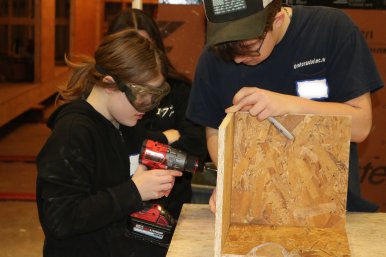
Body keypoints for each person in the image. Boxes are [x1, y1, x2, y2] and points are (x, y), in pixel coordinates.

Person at [186, 0, 384, 213]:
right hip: (253, 207)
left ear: (277, 20)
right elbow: (215, 129)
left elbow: (361, 126)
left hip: (328, 209)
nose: (237, 59)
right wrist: (230, 179)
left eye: (249, 49)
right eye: (227, 51)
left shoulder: (331, 29)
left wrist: (289, 105)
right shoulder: (215, 54)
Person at [36, 29, 182, 257]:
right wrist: (134, 191)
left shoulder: (125, 123)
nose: (147, 106)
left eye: (154, 97)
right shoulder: (72, 134)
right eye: (141, 96)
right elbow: (61, 218)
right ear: (109, 84)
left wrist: (152, 184)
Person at [107, 9, 207, 219]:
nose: (138, 58)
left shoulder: (179, 89)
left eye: (144, 47)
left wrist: (142, 153)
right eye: (129, 47)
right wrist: (165, 138)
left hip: (172, 209)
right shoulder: (103, 99)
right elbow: (114, 145)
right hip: (118, 210)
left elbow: (195, 147)